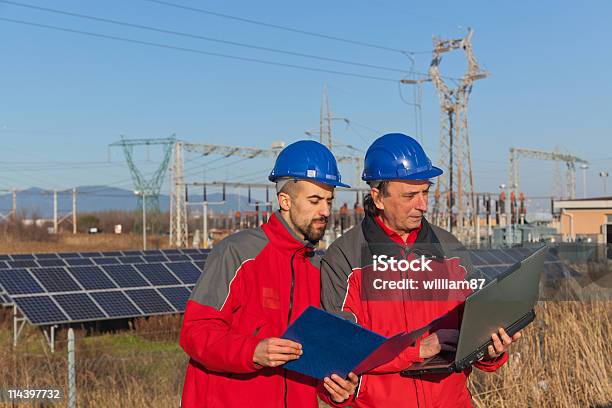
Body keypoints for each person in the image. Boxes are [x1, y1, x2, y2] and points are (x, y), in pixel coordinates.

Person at [320, 133, 521, 407]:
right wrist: (417, 350)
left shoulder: (450, 250)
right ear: (378, 196)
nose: (423, 205)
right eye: (410, 195)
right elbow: (340, 350)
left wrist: (491, 350)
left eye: (425, 192)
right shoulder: (345, 257)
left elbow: (475, 331)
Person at [180, 140, 359, 408]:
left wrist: (337, 390)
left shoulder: (320, 269)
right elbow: (195, 332)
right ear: (284, 200)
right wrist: (253, 351)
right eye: (314, 200)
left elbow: (318, 358)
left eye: (329, 201)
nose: (325, 211)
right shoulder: (238, 253)